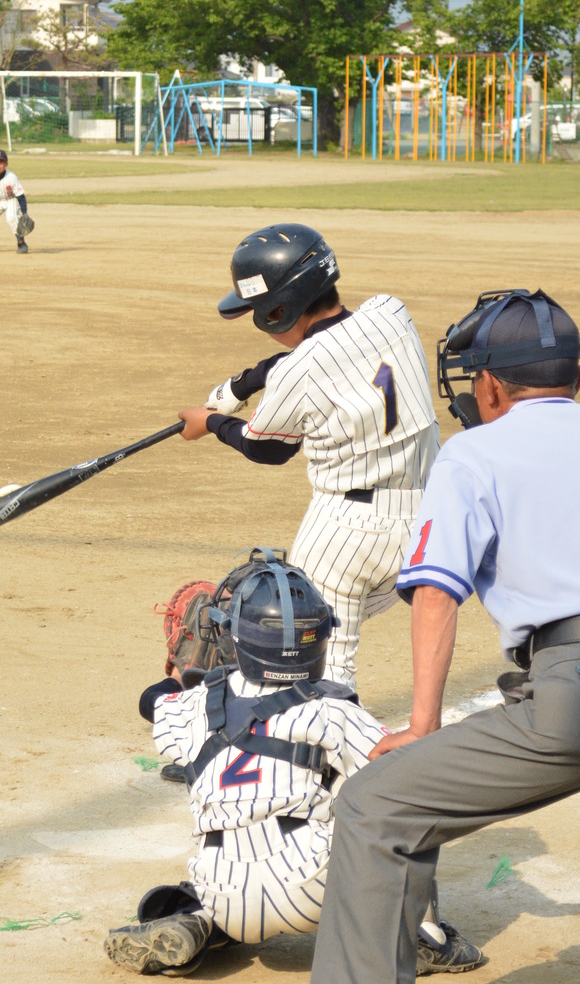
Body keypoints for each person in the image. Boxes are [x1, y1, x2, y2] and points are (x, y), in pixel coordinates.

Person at [255, 288, 580, 984]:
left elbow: (434, 591)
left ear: (493, 386)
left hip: (578, 698)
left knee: (377, 805)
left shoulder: (475, 454)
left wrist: (423, 720)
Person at [104, 551, 482, 979]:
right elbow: (401, 766)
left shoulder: (196, 705)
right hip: (315, 890)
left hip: (222, 892)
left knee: (226, 838)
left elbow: (151, 702)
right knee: (398, 789)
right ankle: (422, 937)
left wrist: (182, 672)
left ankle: (200, 920)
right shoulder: (333, 710)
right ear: (321, 639)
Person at [178, 224, 439, 687]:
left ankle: (308, 744)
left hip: (344, 535)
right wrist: (244, 384)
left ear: (280, 311)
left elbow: (265, 448)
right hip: (428, 524)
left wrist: (211, 423)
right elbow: (334, 349)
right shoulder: (391, 312)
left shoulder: (295, 373)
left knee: (309, 658)